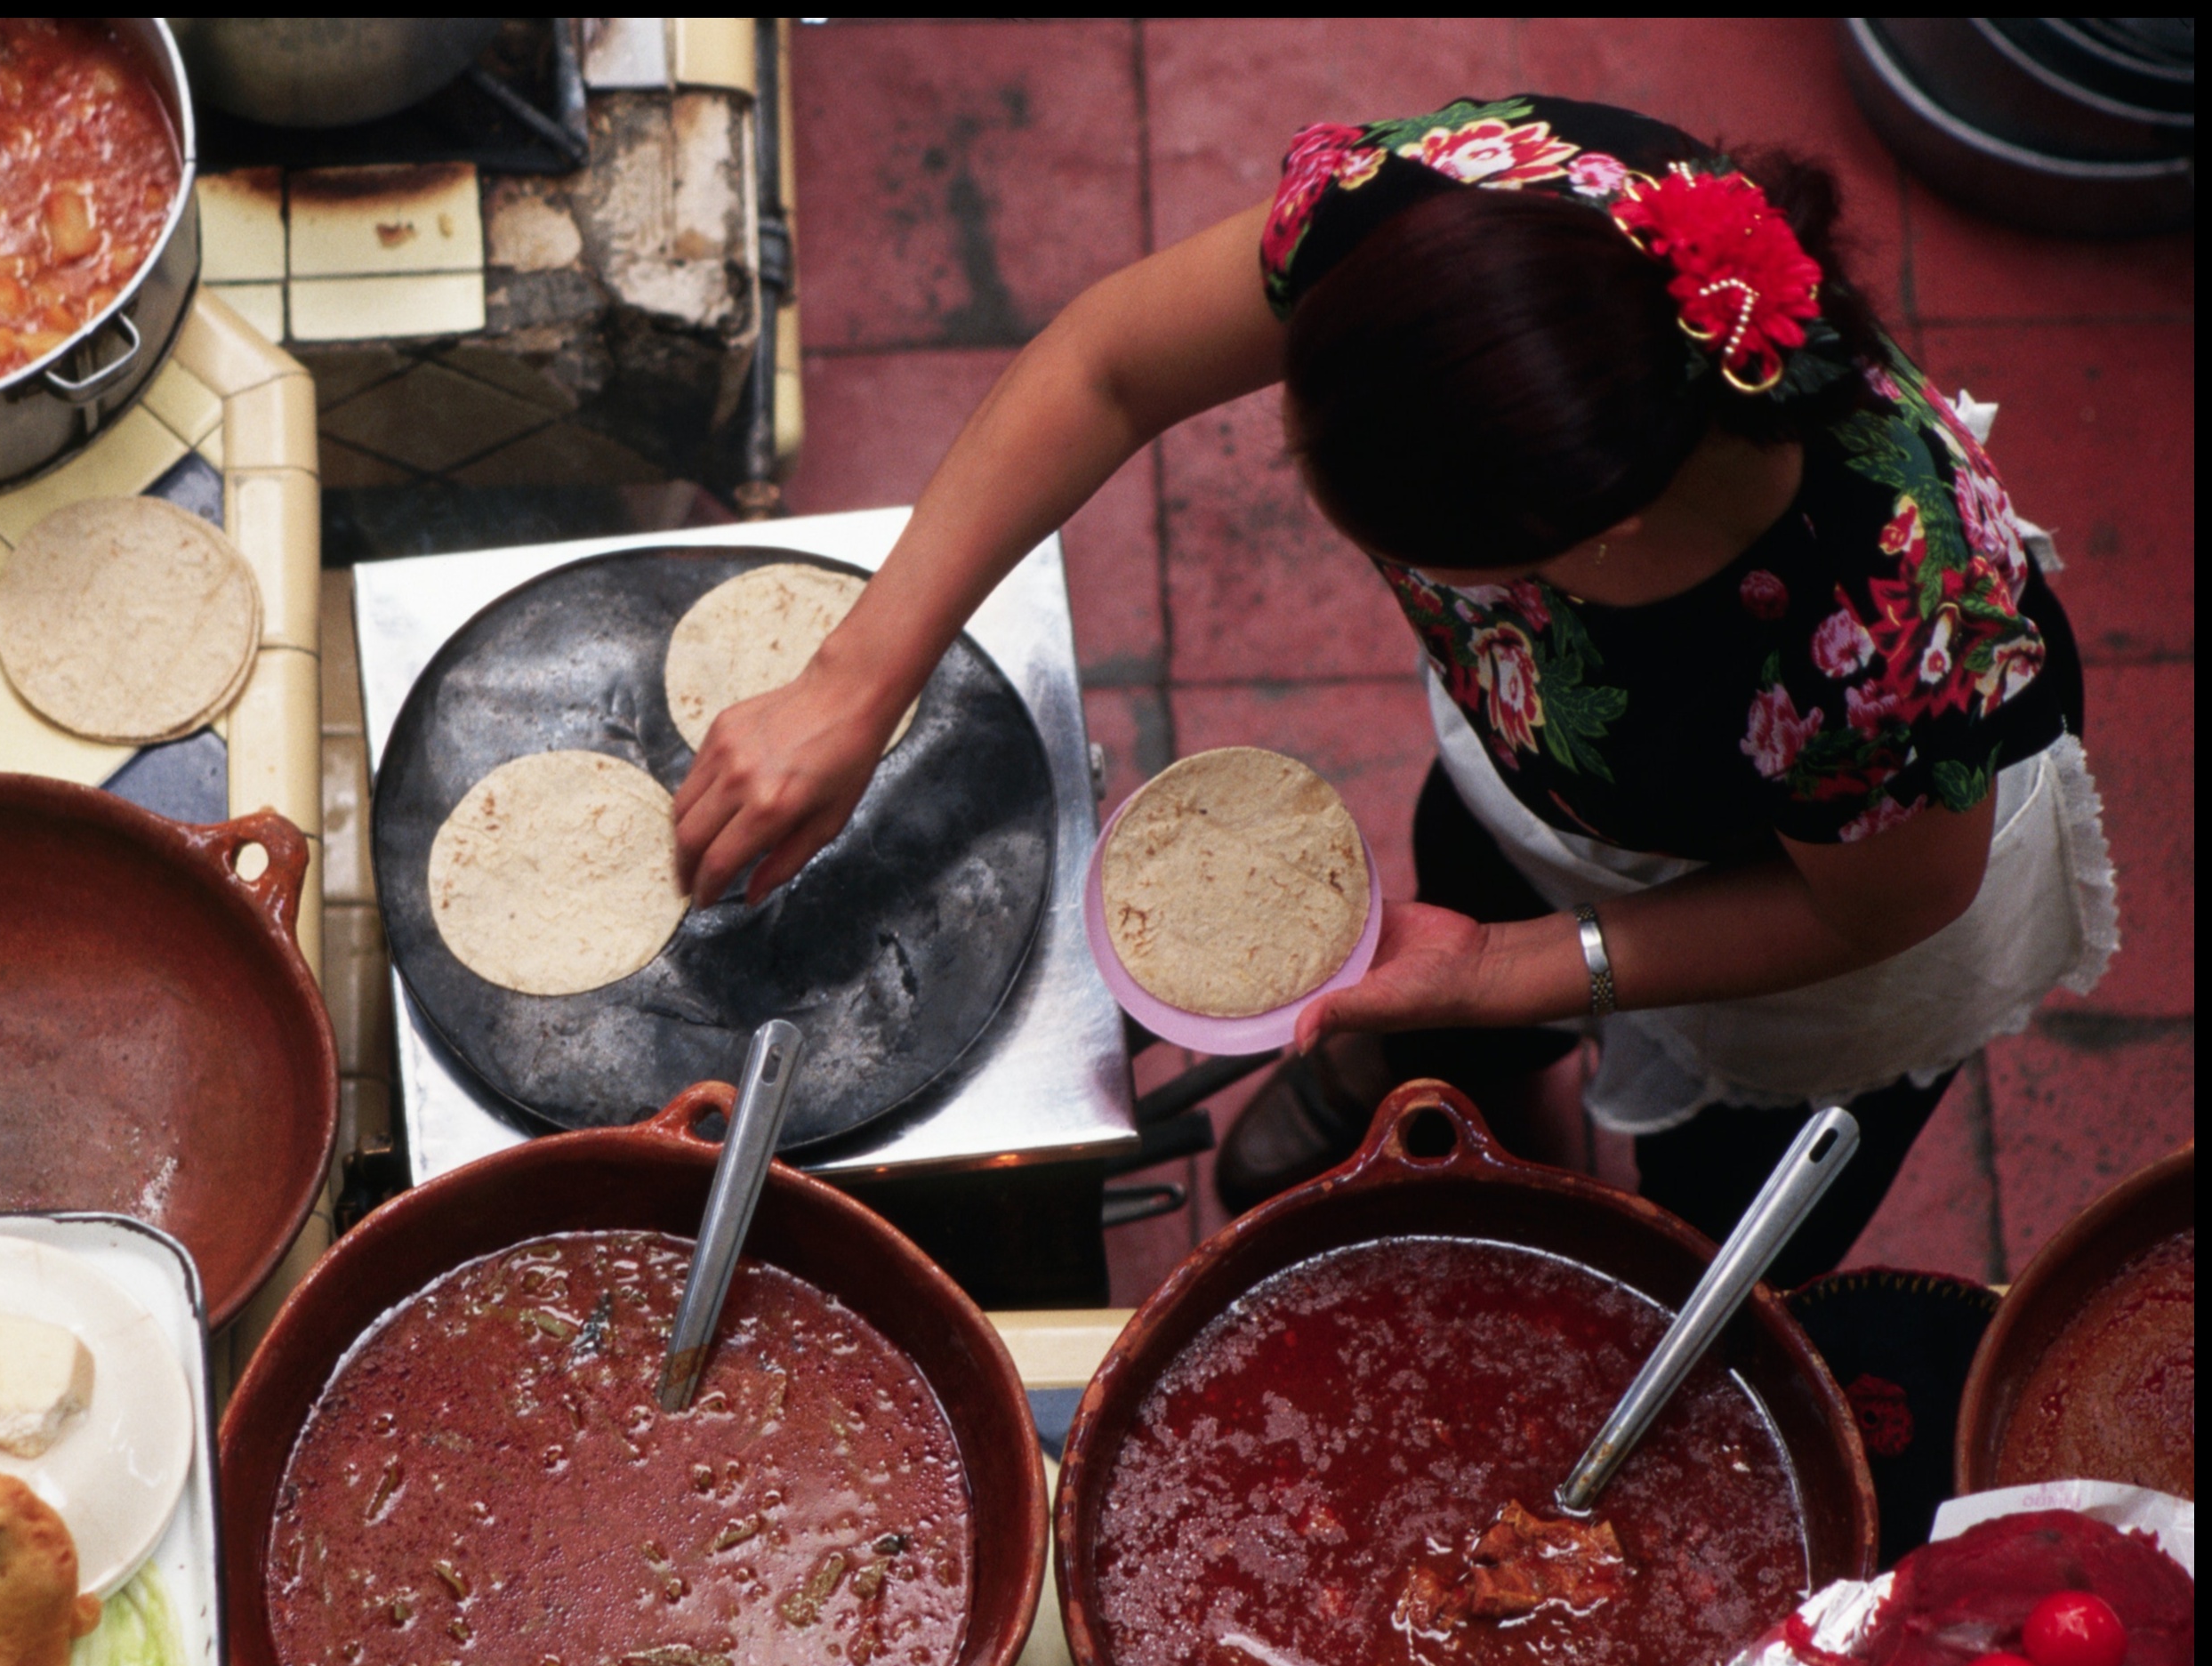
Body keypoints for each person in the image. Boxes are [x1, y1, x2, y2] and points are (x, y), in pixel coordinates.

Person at [670, 94, 2112, 1284]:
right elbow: (1112, 367)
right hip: (1565, 753)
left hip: (1854, 886)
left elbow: (1867, 908)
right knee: (1463, 862)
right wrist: (856, 683)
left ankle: (1622, 1255)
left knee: (1709, 1211)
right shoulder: (1470, 219)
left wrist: (1501, 968)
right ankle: (1440, 1082)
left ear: (1576, 553)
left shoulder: (1870, 622)